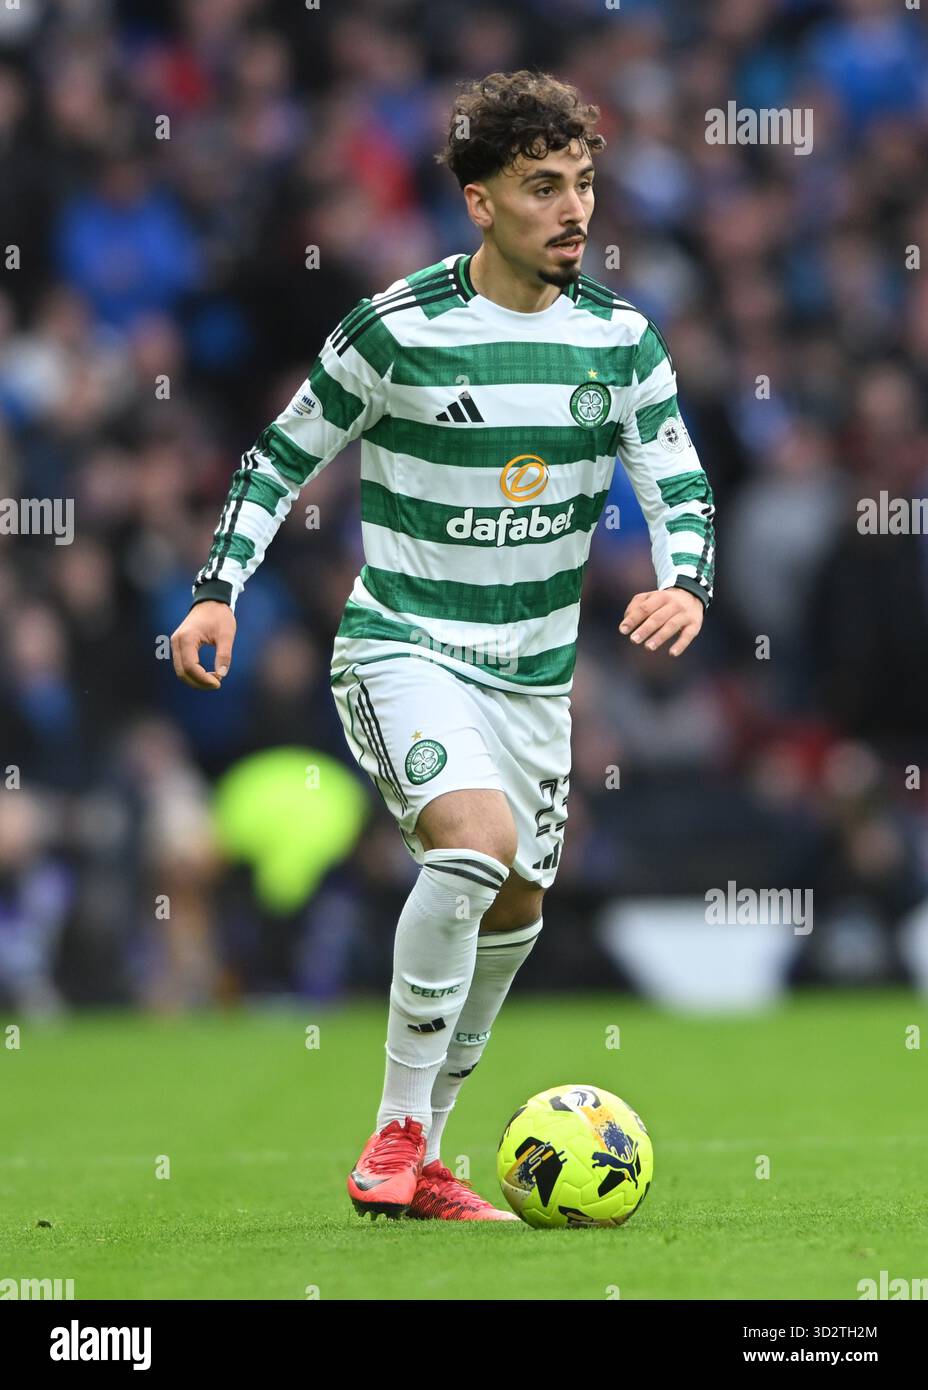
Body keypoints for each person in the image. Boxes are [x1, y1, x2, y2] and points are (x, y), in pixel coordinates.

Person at [170, 70, 715, 1221]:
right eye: (540, 187)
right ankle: (396, 1131)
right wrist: (218, 591)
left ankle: (422, 1159)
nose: (573, 211)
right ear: (478, 201)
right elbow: (277, 457)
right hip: (404, 644)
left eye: (583, 184)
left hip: (534, 681)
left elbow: (677, 479)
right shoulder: (397, 328)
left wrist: (686, 580)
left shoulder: (617, 339)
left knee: (514, 907)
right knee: (472, 848)